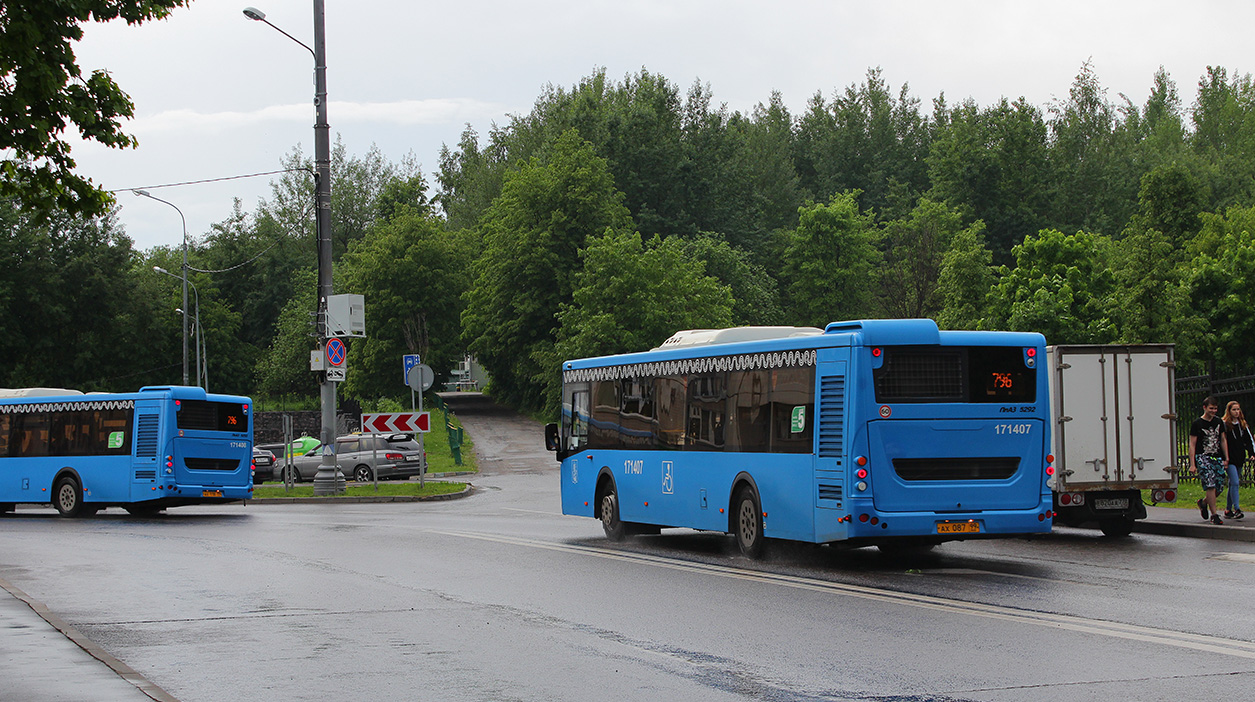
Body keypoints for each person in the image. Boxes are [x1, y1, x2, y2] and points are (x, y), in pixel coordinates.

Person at [1189, 396, 1229, 525]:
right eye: (1211, 408)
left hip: (1216, 457)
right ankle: (1215, 515)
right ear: (1204, 408)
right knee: (1210, 484)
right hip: (1203, 457)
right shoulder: (1197, 424)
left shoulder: (1219, 422)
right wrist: (1192, 464)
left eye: (1215, 409)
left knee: (1219, 486)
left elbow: (1223, 440)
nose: (1213, 411)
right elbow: (1192, 444)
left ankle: (1204, 502)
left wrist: (1226, 457)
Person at [1221, 400, 1249, 520]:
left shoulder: (1242, 424)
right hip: (1229, 458)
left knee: (1233, 483)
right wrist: (1224, 458)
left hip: (1239, 457)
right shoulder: (1225, 425)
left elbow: (1248, 440)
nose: (1236, 412)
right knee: (1235, 482)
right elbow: (1222, 442)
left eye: (1238, 409)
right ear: (1229, 411)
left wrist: (1252, 452)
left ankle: (1228, 509)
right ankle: (1237, 508)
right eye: (1234, 409)